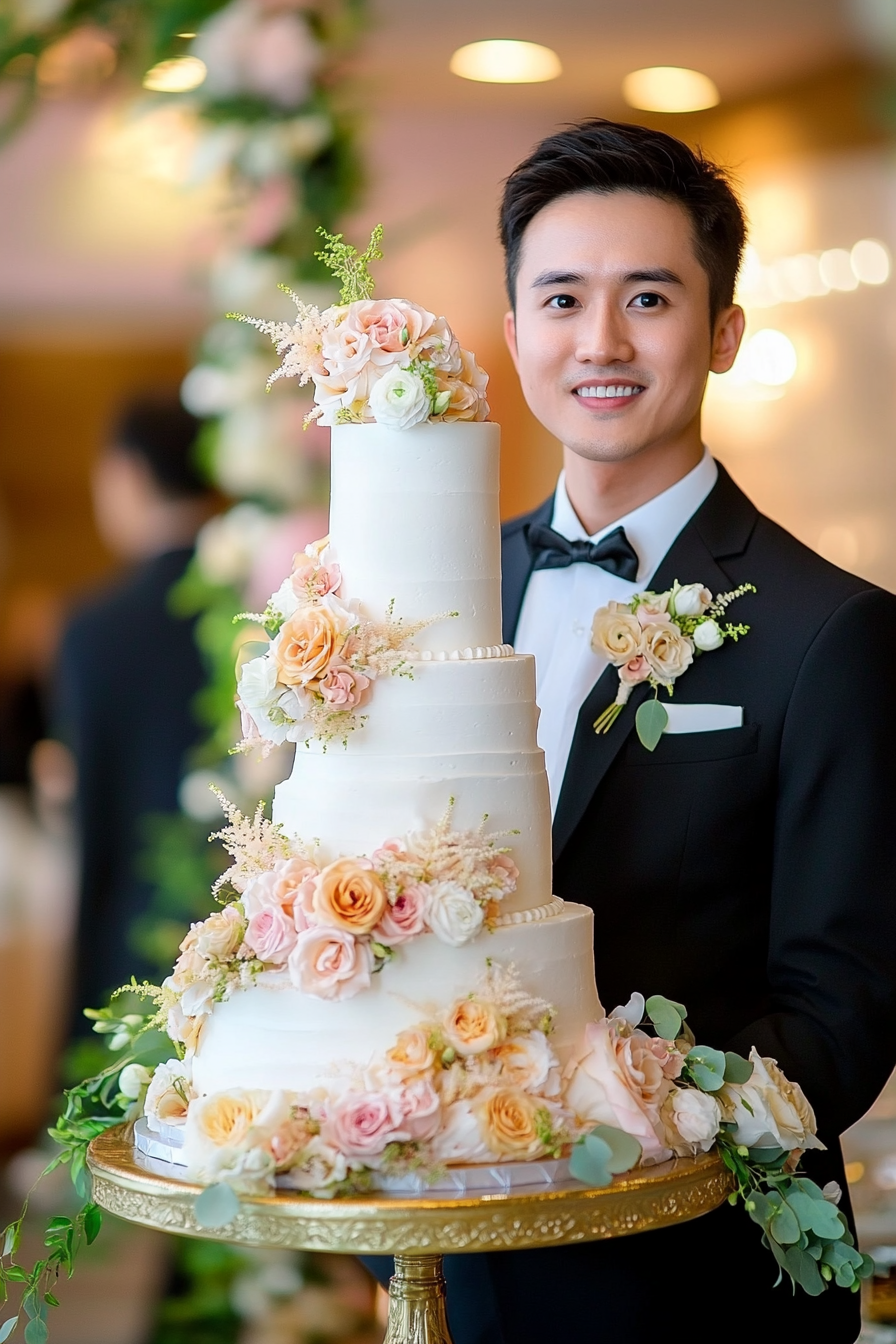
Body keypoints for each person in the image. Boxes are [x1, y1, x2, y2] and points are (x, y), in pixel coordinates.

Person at [367, 120, 896, 1342]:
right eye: (560, 299)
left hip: (696, 1279)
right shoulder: (429, 592)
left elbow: (842, 1003)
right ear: (513, 334)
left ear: (720, 334)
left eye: (646, 298)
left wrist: (609, 1128)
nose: (598, 342)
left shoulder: (834, 632)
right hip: (448, 1257)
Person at [55, 395, 216, 1020]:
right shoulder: (264, 604)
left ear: (126, 474)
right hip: (256, 919)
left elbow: (94, 813)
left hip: (132, 928)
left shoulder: (94, 628)